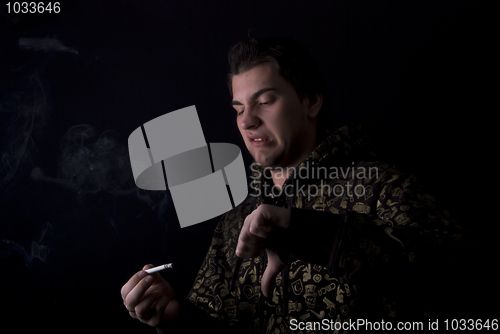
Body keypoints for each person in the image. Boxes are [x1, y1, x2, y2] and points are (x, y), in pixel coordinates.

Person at [121, 35, 469, 333]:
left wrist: (304, 230)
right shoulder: (235, 221)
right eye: (239, 107)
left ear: (311, 101)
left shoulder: (381, 186)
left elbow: (450, 277)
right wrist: (175, 317)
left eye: (265, 101)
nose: (247, 120)